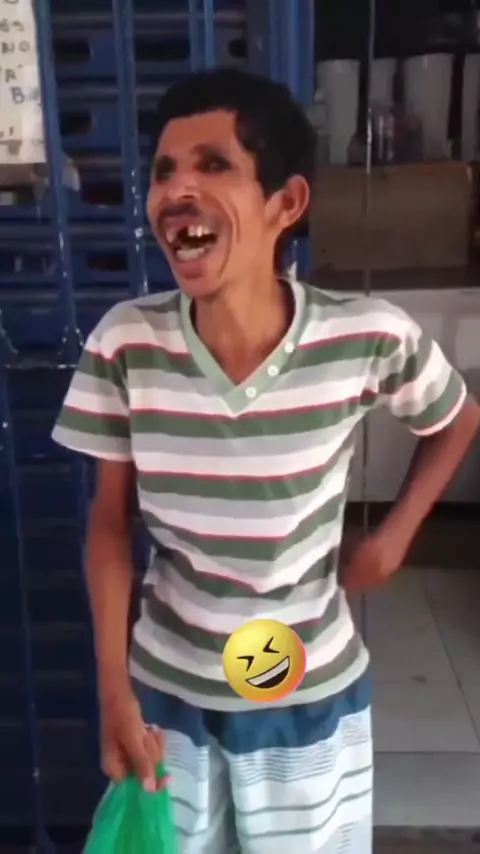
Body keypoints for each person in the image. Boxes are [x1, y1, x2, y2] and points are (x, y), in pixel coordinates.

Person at [52, 68, 480, 854]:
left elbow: (457, 419)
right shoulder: (125, 343)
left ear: (285, 204)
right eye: (164, 171)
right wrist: (116, 691)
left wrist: (394, 539)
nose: (177, 191)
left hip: (306, 695)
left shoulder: (366, 336)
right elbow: (109, 524)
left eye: (214, 165)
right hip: (169, 696)